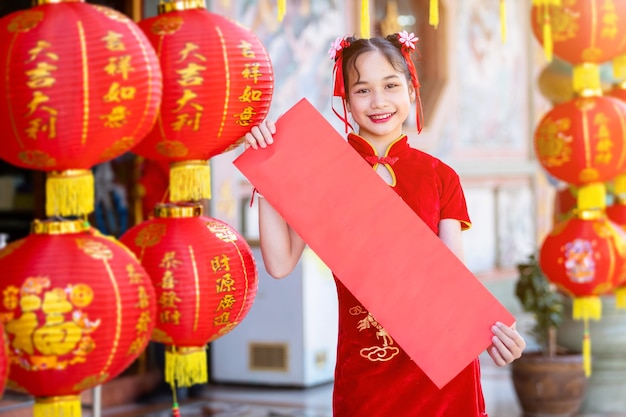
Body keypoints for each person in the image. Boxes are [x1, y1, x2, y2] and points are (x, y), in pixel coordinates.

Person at [243, 32, 526, 417]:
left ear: (411, 90)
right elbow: (278, 263)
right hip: (366, 366)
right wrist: (268, 172)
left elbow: (453, 277)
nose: (378, 102)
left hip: (441, 369)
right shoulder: (324, 172)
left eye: (391, 85)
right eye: (362, 90)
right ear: (345, 99)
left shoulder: (440, 176)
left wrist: (495, 335)